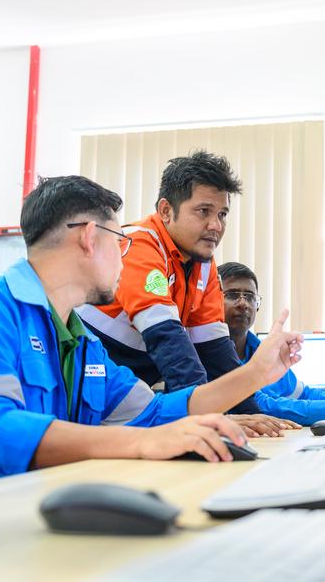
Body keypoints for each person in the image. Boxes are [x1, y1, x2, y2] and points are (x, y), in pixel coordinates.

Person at [0, 176, 302, 498]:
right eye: (119, 240)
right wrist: (140, 444)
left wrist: (256, 374)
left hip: (25, 512)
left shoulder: (82, 341)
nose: (125, 256)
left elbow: (155, 413)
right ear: (88, 237)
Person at [78, 150, 300, 436]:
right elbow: (169, 341)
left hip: (131, 390)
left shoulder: (203, 263)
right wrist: (210, 417)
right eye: (203, 211)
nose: (216, 226)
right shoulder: (140, 244)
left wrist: (253, 418)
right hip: (95, 383)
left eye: (222, 214)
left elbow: (217, 354)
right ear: (166, 211)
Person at [218, 262, 325, 425]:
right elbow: (261, 406)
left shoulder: (261, 350)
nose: (243, 303)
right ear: (213, 301)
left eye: (249, 297)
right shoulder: (209, 354)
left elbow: (303, 393)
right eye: (232, 295)